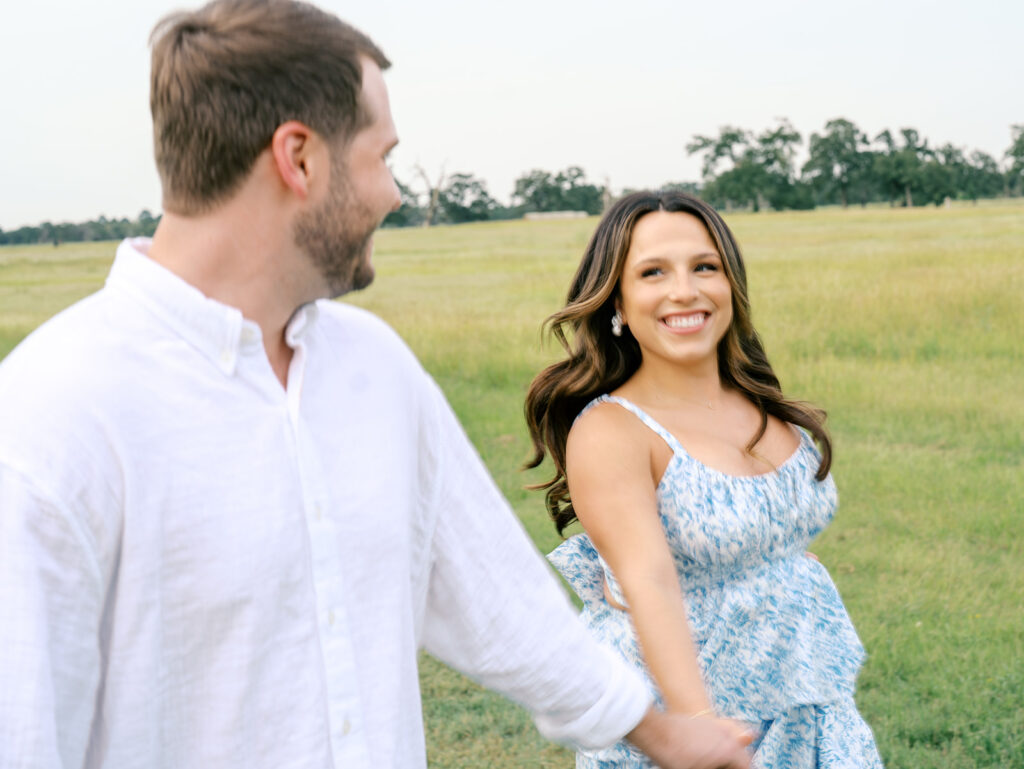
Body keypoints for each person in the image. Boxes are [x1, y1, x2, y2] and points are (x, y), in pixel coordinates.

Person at [0, 2, 754, 768]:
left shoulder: (374, 367)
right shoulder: (54, 411)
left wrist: (662, 733)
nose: (393, 192)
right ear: (299, 158)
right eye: (381, 156)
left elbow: (499, 596)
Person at [524, 190, 884, 767]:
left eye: (704, 267)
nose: (684, 291)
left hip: (805, 702)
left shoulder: (758, 400)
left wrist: (779, 570)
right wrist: (698, 730)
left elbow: (774, 537)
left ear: (730, 285)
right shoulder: (614, 431)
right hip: (699, 718)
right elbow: (649, 583)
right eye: (652, 272)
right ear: (616, 298)